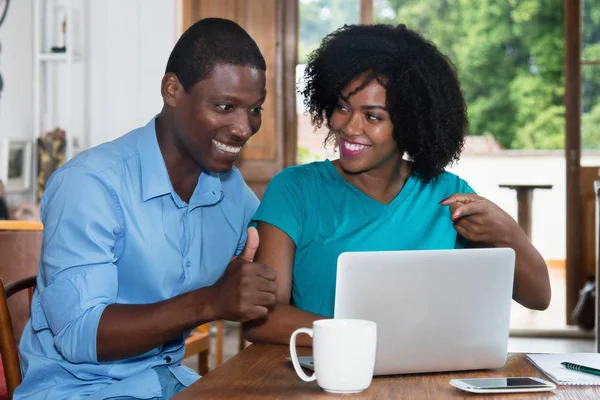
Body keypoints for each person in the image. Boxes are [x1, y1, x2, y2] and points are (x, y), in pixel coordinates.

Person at [16, 18, 277, 399]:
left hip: (166, 381)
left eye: (255, 110)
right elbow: (78, 334)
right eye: (225, 106)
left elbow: (272, 269)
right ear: (172, 90)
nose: (243, 128)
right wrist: (211, 301)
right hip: (78, 390)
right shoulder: (90, 184)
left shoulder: (231, 192)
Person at [243, 23, 551, 346]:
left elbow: (538, 297)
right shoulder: (295, 191)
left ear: (410, 123)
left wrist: (508, 232)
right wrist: (362, 338)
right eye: (342, 108)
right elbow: (261, 320)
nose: (349, 127)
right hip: (324, 382)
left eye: (373, 117)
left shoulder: (446, 197)